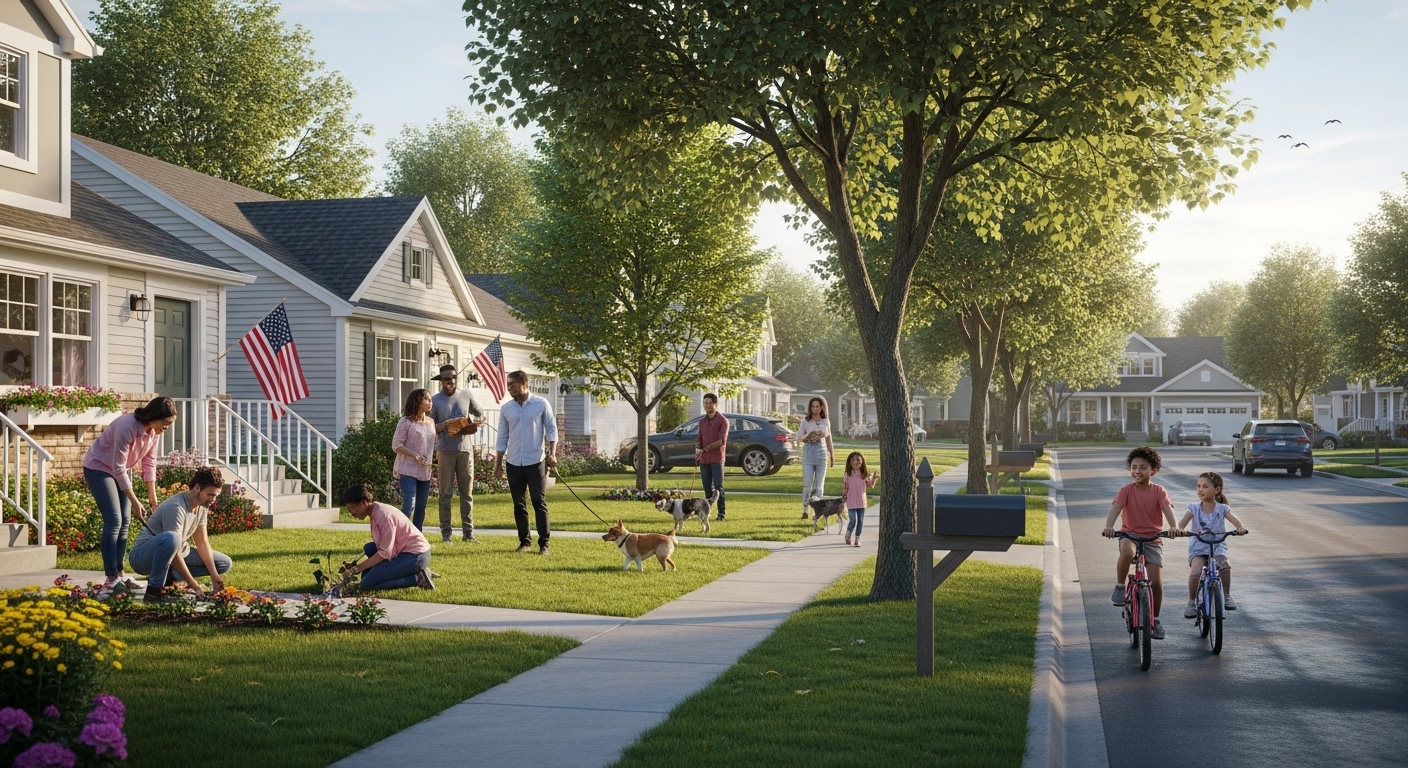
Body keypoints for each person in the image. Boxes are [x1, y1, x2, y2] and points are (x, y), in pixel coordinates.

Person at [82, 396, 178, 589]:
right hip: (99, 468)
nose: (166, 428)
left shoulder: (154, 432)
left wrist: (152, 495)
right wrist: (135, 501)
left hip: (120, 471)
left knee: (125, 521)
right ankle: (111, 579)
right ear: (155, 416)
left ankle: (119, 574)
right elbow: (117, 466)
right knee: (114, 519)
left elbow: (149, 462)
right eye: (165, 423)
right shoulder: (128, 427)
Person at [1102, 446, 1180, 640]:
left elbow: (1167, 509)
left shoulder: (1159, 491)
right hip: (1129, 535)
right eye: (1134, 467)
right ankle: (1120, 586)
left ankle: (1155, 620)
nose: (1137, 471)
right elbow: (1116, 509)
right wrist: (1109, 526)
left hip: (1153, 539)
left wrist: (1174, 526)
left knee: (1157, 582)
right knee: (1127, 552)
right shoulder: (1126, 490)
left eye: (1143, 467)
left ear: (1153, 470)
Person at [127, 467, 232, 604]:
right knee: (172, 538)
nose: (213, 500)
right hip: (142, 558)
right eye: (210, 494)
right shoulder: (176, 507)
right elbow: (173, 548)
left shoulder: (202, 505)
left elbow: (202, 543)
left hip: (173, 551)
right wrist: (195, 586)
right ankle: (153, 592)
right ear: (197, 488)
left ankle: (168, 577)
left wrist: (214, 575)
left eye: (216, 496)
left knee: (223, 563)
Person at [493, 370, 558, 555]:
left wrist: (552, 455)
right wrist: (498, 464)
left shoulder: (541, 404)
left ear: (524, 383)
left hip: (535, 462)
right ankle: (525, 542)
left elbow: (552, 431)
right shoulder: (506, 409)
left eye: (512, 384)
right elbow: (502, 438)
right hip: (513, 462)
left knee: (539, 501)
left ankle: (544, 544)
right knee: (519, 504)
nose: (509, 388)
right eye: (508, 385)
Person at [1177, 471, 1247, 618]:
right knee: (1196, 572)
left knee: (1224, 565)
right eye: (1198, 486)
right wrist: (1180, 530)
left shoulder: (1222, 509)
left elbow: (1234, 520)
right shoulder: (1194, 508)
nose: (1200, 490)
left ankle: (1227, 595)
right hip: (1198, 546)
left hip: (1217, 545)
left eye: (1205, 486)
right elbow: (1182, 524)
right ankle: (1191, 602)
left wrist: (1240, 528)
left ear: (1217, 490)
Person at [340, 483, 434, 590]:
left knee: (366, 585)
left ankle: (417, 578)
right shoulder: (375, 512)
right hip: (401, 552)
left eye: (352, 509)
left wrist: (356, 569)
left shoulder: (383, 516)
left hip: (415, 556)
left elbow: (385, 553)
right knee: (369, 549)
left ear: (363, 502)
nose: (351, 513)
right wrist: (355, 564)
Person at [430, 364, 484, 543]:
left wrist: (471, 422)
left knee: (466, 494)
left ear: (456, 378)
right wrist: (447, 424)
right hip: (445, 451)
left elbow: (480, 415)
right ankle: (446, 534)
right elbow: (431, 428)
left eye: (453, 378)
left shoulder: (466, 395)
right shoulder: (435, 401)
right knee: (445, 494)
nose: (450, 382)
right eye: (446, 379)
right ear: (441, 381)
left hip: (465, 451)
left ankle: (468, 534)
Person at [392, 388, 436, 531]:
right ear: (418, 401)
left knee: (421, 507)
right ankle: (395, 533)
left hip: (424, 471)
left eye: (430, 400)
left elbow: (431, 442)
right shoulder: (405, 422)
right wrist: (415, 455)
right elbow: (396, 445)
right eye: (427, 399)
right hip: (408, 470)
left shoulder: (430, 422)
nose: (430, 402)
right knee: (409, 504)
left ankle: (417, 540)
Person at [795, 397, 834, 519]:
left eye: (817, 406)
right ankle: (806, 508)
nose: (815, 409)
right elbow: (798, 437)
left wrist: (832, 455)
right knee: (807, 484)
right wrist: (808, 437)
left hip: (821, 455)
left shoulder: (825, 422)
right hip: (808, 455)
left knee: (819, 485)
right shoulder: (805, 422)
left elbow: (828, 439)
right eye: (813, 406)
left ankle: (819, 511)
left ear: (821, 407)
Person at [694, 393, 729, 522]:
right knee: (707, 489)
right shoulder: (702, 422)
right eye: (705, 403)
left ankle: (722, 514)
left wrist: (705, 449)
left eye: (710, 403)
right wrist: (698, 450)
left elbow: (721, 441)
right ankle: (707, 514)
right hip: (704, 460)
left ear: (715, 404)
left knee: (718, 488)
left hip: (717, 459)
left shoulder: (722, 421)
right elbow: (699, 439)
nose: (707, 405)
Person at [841, 451, 879, 547]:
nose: (855, 462)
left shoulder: (864, 474)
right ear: (849, 462)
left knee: (860, 521)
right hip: (851, 500)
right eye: (853, 460)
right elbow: (845, 487)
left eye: (858, 459)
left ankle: (857, 538)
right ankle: (848, 534)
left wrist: (874, 478)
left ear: (862, 461)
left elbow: (870, 485)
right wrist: (844, 496)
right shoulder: (847, 474)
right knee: (853, 520)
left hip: (861, 501)